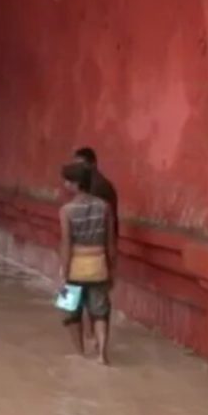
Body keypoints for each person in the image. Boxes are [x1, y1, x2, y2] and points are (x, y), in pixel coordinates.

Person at [58, 161, 117, 365]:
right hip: (99, 265)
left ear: (74, 184)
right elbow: (110, 243)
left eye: (66, 181)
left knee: (70, 312)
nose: (65, 184)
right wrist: (112, 270)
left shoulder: (67, 210)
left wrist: (63, 273)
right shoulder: (105, 207)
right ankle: (102, 354)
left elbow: (66, 244)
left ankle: (80, 353)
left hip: (75, 267)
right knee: (100, 311)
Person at [73, 146, 119, 341]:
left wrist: (63, 265)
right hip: (98, 253)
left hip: (83, 255)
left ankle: (83, 345)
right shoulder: (102, 186)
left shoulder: (92, 191)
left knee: (72, 305)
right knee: (97, 301)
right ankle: (98, 349)